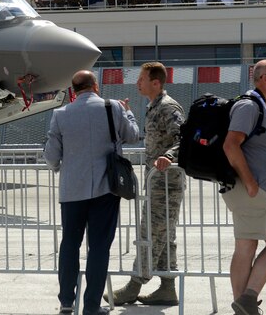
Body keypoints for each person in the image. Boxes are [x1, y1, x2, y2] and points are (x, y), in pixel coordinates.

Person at [44, 70, 139, 315]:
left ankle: (66, 302)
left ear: (73, 90)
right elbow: (132, 135)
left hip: (72, 191)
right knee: (98, 247)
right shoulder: (113, 107)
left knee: (69, 244)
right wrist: (127, 111)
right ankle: (92, 306)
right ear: (95, 85)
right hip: (105, 189)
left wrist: (59, 168)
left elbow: (52, 156)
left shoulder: (61, 114)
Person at [107, 62, 185, 306]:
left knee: (150, 234)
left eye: (141, 79)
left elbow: (183, 139)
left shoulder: (168, 107)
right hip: (158, 183)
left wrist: (169, 156)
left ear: (156, 82)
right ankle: (168, 286)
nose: (137, 83)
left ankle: (134, 285)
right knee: (164, 235)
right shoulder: (154, 106)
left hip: (166, 184)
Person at [223, 60, 266, 315]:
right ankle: (243, 304)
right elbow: (231, 145)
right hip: (249, 188)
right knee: (246, 246)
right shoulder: (248, 106)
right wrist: (250, 183)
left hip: (261, 189)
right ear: (263, 78)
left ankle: (246, 300)